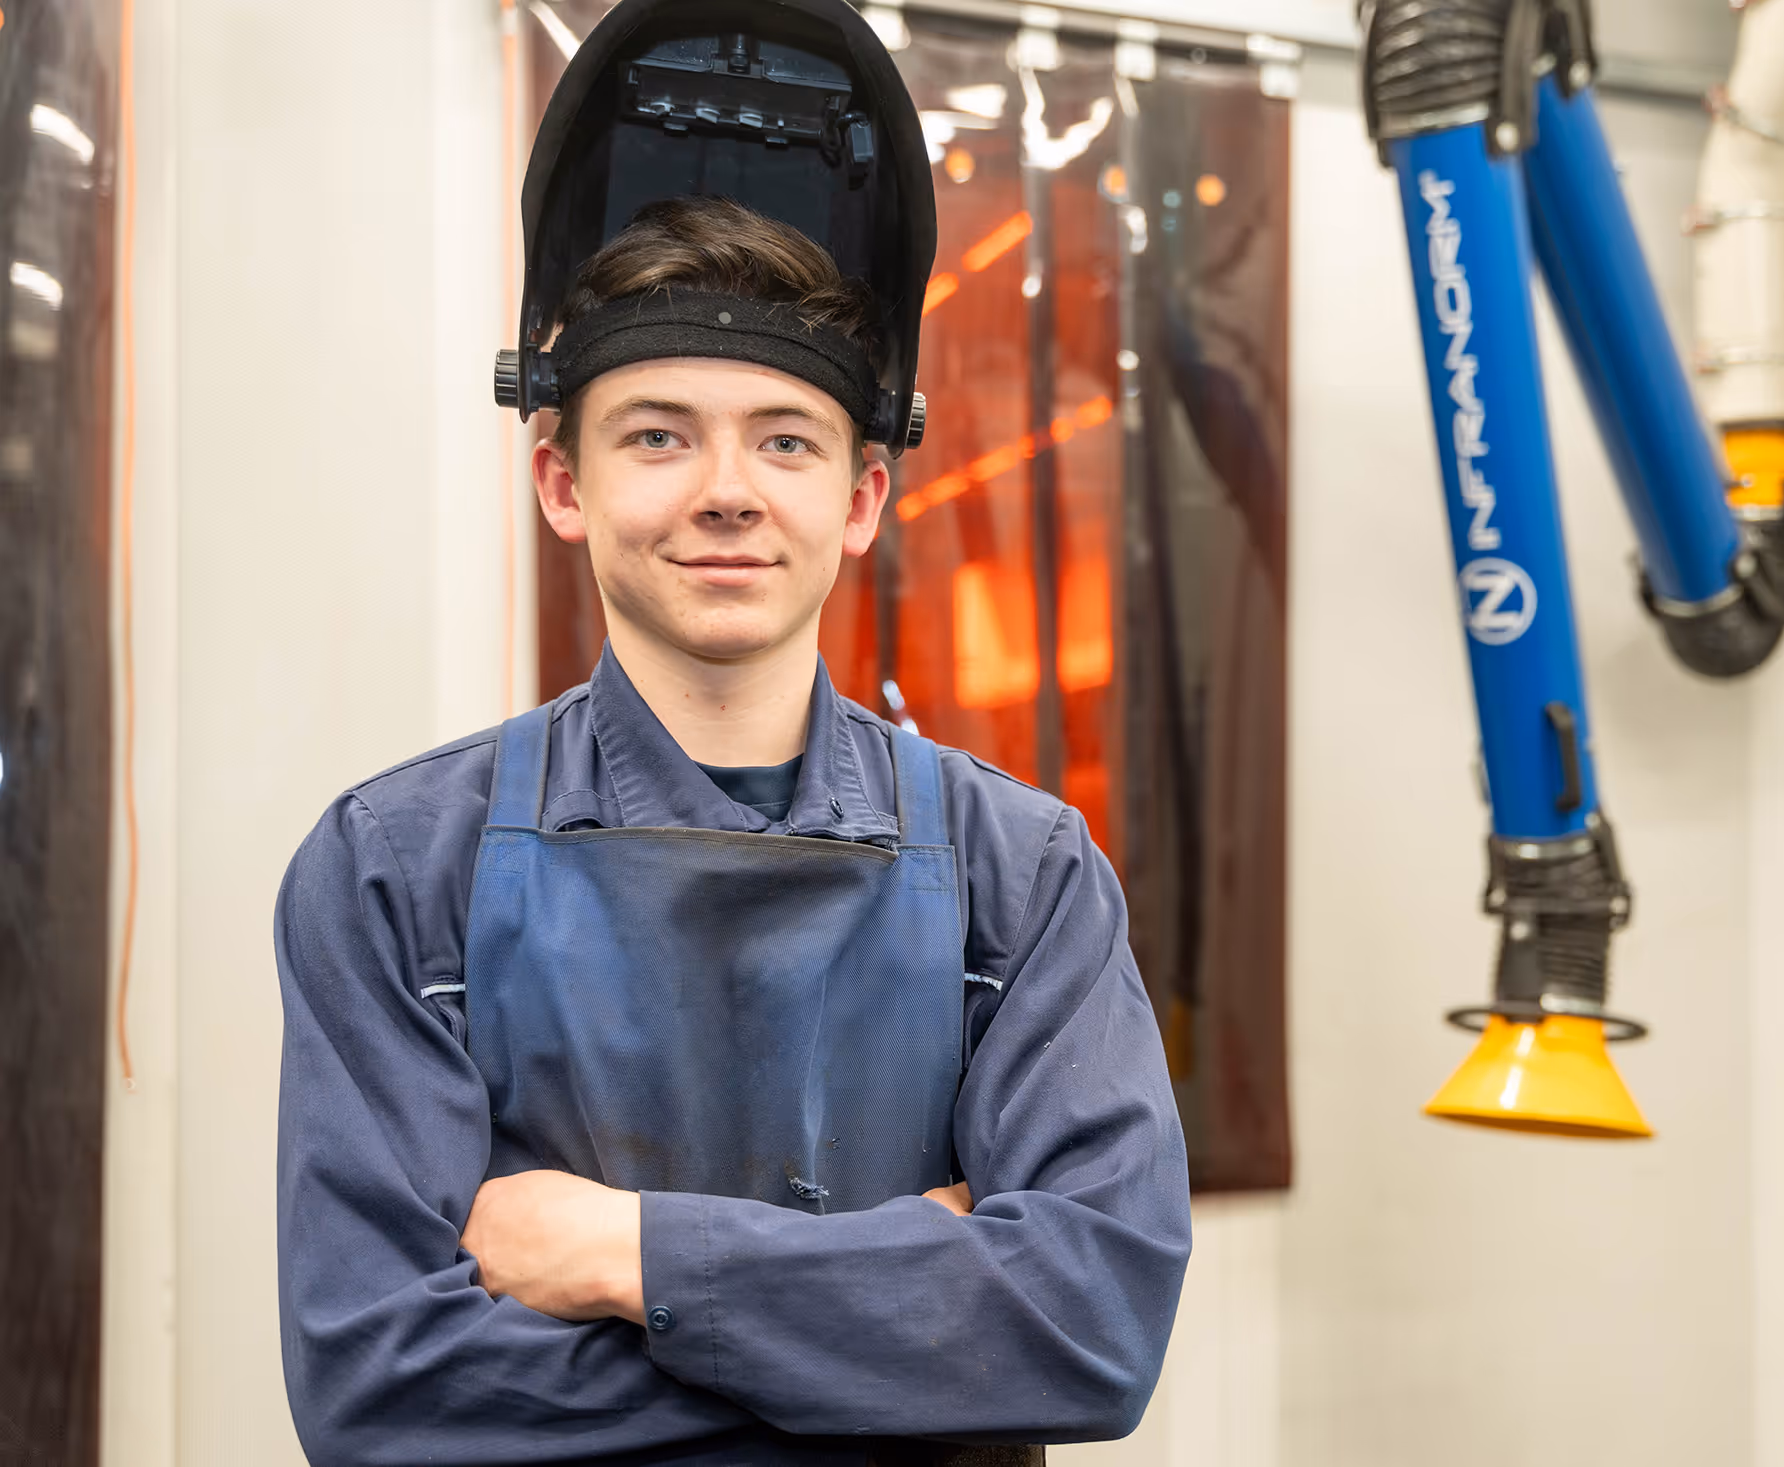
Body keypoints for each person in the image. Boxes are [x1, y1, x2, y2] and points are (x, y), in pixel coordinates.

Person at [272, 191, 1192, 1465]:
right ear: (562, 481)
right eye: (657, 437)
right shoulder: (393, 867)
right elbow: (378, 1389)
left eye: (786, 443)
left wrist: (619, 1254)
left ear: (863, 500)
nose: (725, 493)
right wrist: (897, 1322)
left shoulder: (1022, 875)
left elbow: (1089, 1329)